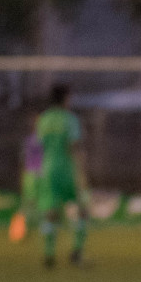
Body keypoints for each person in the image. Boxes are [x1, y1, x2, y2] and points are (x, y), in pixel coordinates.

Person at [35, 85, 89, 269]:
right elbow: (73, 145)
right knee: (82, 208)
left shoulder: (44, 119)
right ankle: (77, 251)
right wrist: (81, 169)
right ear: (65, 98)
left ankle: (49, 253)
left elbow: (41, 144)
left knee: (51, 211)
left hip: (48, 169)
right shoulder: (70, 119)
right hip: (67, 169)